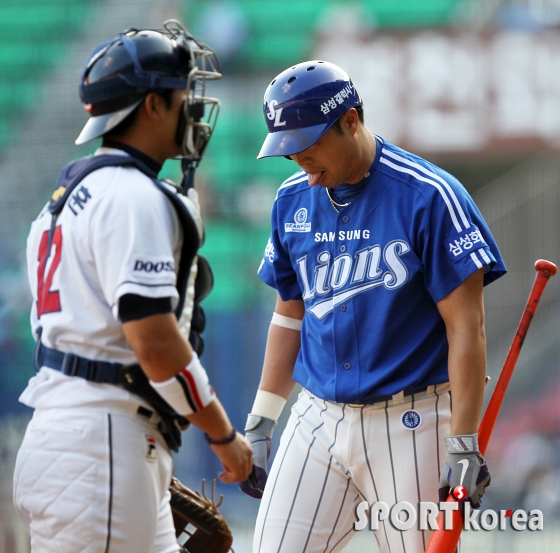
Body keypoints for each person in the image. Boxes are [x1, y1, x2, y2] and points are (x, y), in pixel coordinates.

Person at [239, 60, 507, 553]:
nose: (300, 163)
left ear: (351, 120)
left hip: (413, 422)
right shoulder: (292, 199)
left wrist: (463, 441)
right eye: (288, 153)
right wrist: (262, 419)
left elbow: (467, 329)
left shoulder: (430, 196)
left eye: (307, 146)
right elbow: (288, 314)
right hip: (317, 417)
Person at [13, 20, 252, 553]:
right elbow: (154, 340)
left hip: (78, 439)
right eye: (182, 93)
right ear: (151, 106)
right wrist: (222, 435)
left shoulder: (64, 198)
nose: (192, 106)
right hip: (102, 447)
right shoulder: (132, 195)